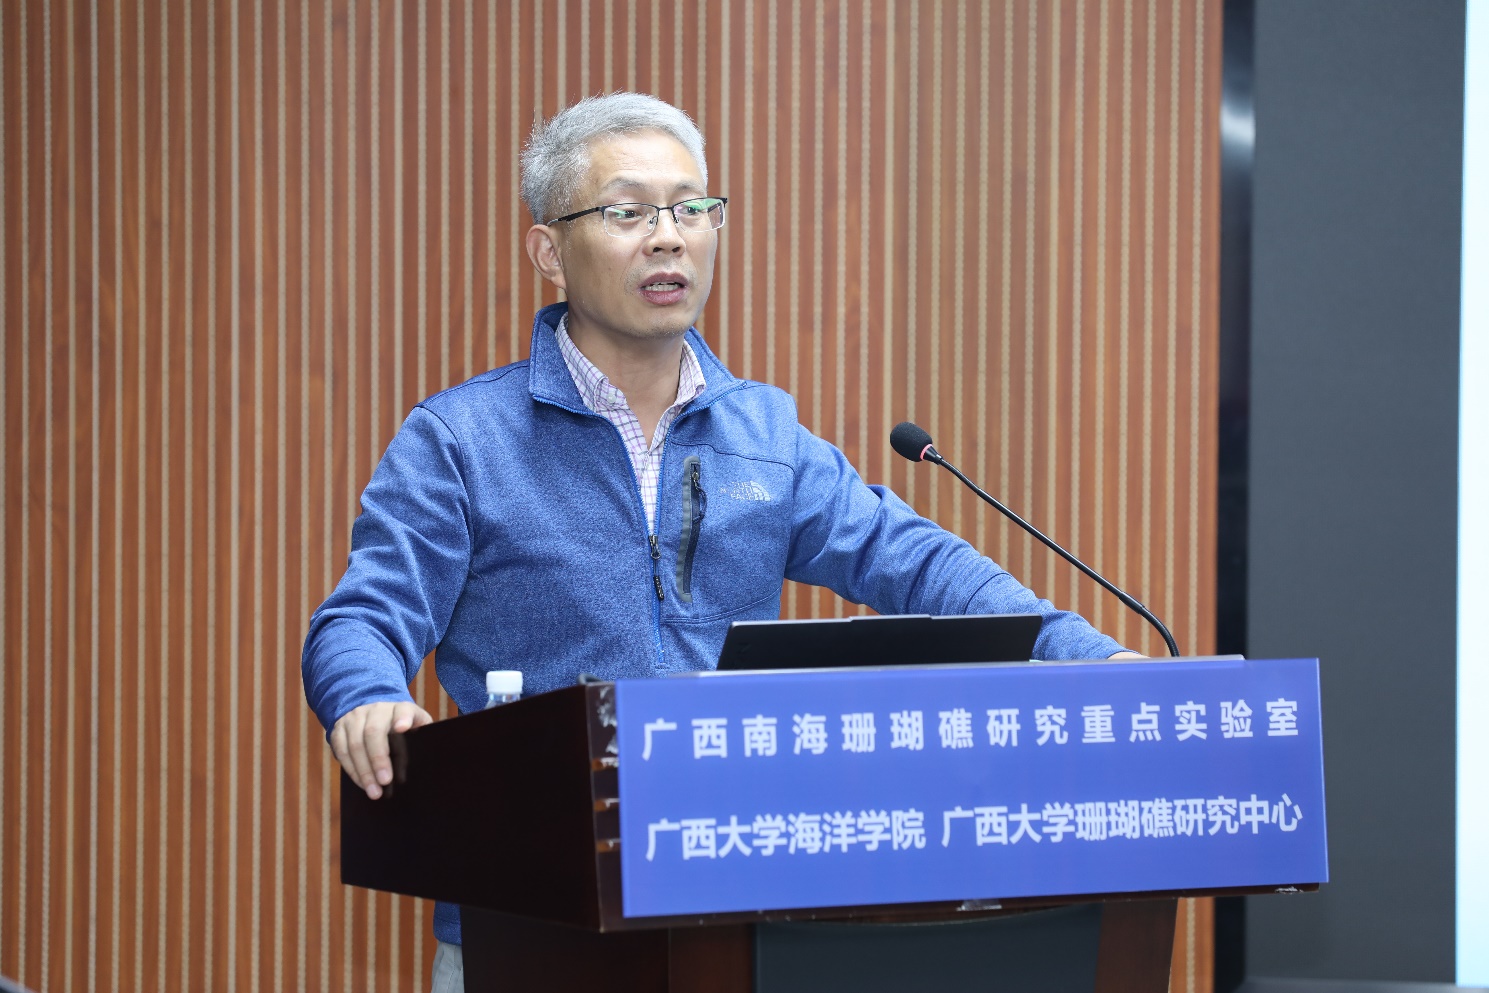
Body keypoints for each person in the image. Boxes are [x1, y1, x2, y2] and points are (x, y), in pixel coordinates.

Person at [301, 91, 1133, 989]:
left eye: (692, 207)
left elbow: (922, 566)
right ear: (549, 251)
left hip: (736, 910)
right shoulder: (463, 439)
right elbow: (362, 618)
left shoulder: (763, 432)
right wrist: (367, 696)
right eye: (628, 212)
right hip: (528, 917)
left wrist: (1088, 658)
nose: (669, 237)